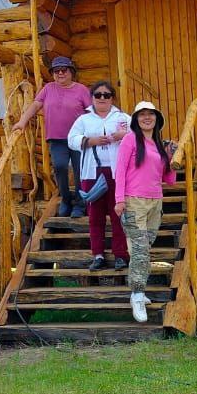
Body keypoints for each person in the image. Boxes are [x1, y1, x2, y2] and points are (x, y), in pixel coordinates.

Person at [114, 101, 177, 323]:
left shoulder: (159, 145)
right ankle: (137, 294)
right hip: (134, 202)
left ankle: (139, 290)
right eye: (142, 115)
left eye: (151, 114)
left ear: (157, 119)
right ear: (136, 119)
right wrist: (119, 200)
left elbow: (169, 179)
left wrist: (171, 157)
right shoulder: (130, 139)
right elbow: (120, 170)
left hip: (155, 203)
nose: (147, 118)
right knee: (140, 250)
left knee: (143, 249)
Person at [11, 56, 91, 218]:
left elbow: (91, 111)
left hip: (79, 138)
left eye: (64, 70)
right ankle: (66, 200)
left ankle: (80, 204)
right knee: (60, 167)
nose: (60, 73)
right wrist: (22, 122)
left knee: (80, 171)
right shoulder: (48, 88)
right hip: (56, 138)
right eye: (56, 71)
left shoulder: (81, 89)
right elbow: (35, 105)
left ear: (71, 72)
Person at [67, 81, 131, 272]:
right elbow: (71, 139)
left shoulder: (122, 117)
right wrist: (89, 141)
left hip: (117, 172)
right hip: (92, 172)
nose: (102, 98)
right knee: (95, 216)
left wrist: (123, 135)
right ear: (92, 97)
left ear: (112, 98)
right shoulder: (84, 120)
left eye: (106, 95)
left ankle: (120, 254)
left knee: (118, 215)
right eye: (98, 95)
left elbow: (138, 135)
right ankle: (98, 255)